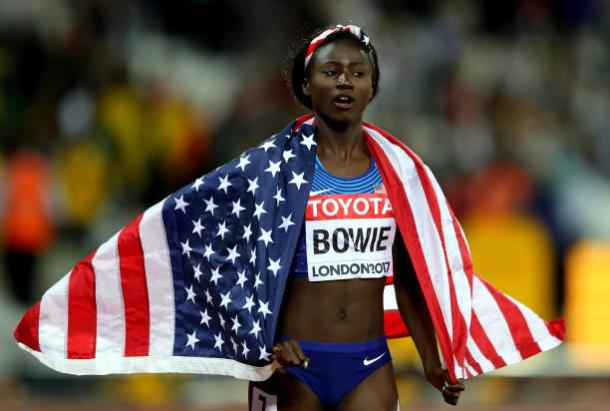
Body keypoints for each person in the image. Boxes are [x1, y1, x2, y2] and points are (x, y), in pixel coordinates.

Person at [248, 25, 464, 411]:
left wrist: (431, 358)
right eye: (330, 72)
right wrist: (266, 345)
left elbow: (408, 276)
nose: (345, 81)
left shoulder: (397, 172)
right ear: (306, 83)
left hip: (368, 364)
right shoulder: (274, 168)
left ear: (372, 87)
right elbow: (244, 269)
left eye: (358, 73)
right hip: (290, 365)